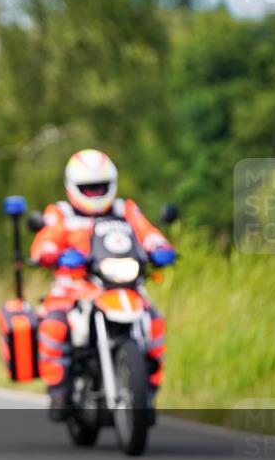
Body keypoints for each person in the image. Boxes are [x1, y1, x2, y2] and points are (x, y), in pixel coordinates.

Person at [30, 149, 175, 419]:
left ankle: (148, 390)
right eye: (89, 188)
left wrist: (160, 247)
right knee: (53, 323)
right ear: (73, 187)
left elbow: (146, 232)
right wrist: (50, 252)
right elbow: (46, 239)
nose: (95, 193)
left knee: (154, 320)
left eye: (100, 187)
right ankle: (58, 389)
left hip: (122, 284)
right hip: (74, 287)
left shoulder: (124, 209)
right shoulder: (61, 213)